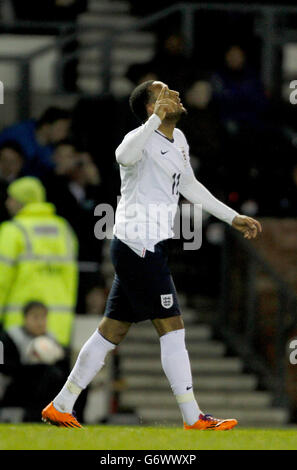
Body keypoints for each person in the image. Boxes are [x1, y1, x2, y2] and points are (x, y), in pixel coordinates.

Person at [42, 80, 262, 430]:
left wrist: (231, 216)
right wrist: (150, 123)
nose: (174, 93)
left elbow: (190, 186)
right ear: (151, 107)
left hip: (149, 246)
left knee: (110, 332)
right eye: (164, 92)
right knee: (172, 325)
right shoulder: (140, 140)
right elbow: (122, 156)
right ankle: (193, 417)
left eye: (172, 90)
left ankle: (61, 404)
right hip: (135, 245)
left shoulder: (180, 141)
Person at [0, 176, 78, 346]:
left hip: (20, 326)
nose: (7, 203)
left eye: (11, 198)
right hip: (59, 327)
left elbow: (2, 280)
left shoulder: (12, 231)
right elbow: (71, 279)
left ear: (21, 200)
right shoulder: (63, 229)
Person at [0, 301, 68, 422]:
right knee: (44, 373)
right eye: (35, 317)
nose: (40, 322)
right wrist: (34, 366)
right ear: (25, 318)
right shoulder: (10, 337)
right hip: (15, 389)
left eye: (43, 317)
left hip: (44, 387)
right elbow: (5, 367)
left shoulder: (51, 340)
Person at [0, 107, 71, 176]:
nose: (64, 134)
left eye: (66, 130)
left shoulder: (53, 148)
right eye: (60, 129)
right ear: (46, 126)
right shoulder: (17, 133)